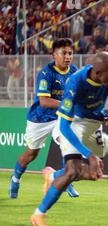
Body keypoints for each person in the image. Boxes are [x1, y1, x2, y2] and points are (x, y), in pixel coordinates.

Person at [30, 51, 108, 226]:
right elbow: (64, 128)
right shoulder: (75, 84)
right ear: (97, 73)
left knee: (94, 174)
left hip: (94, 122)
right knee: (72, 171)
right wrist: (88, 154)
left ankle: (52, 176)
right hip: (74, 123)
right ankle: (39, 215)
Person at [9, 38, 80, 199]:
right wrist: (67, 104)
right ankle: (15, 178)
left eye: (70, 53)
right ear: (54, 54)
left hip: (59, 118)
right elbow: (44, 101)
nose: (68, 56)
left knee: (68, 144)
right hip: (39, 119)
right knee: (30, 154)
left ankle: (66, 180)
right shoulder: (46, 73)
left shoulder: (74, 72)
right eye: (64, 53)